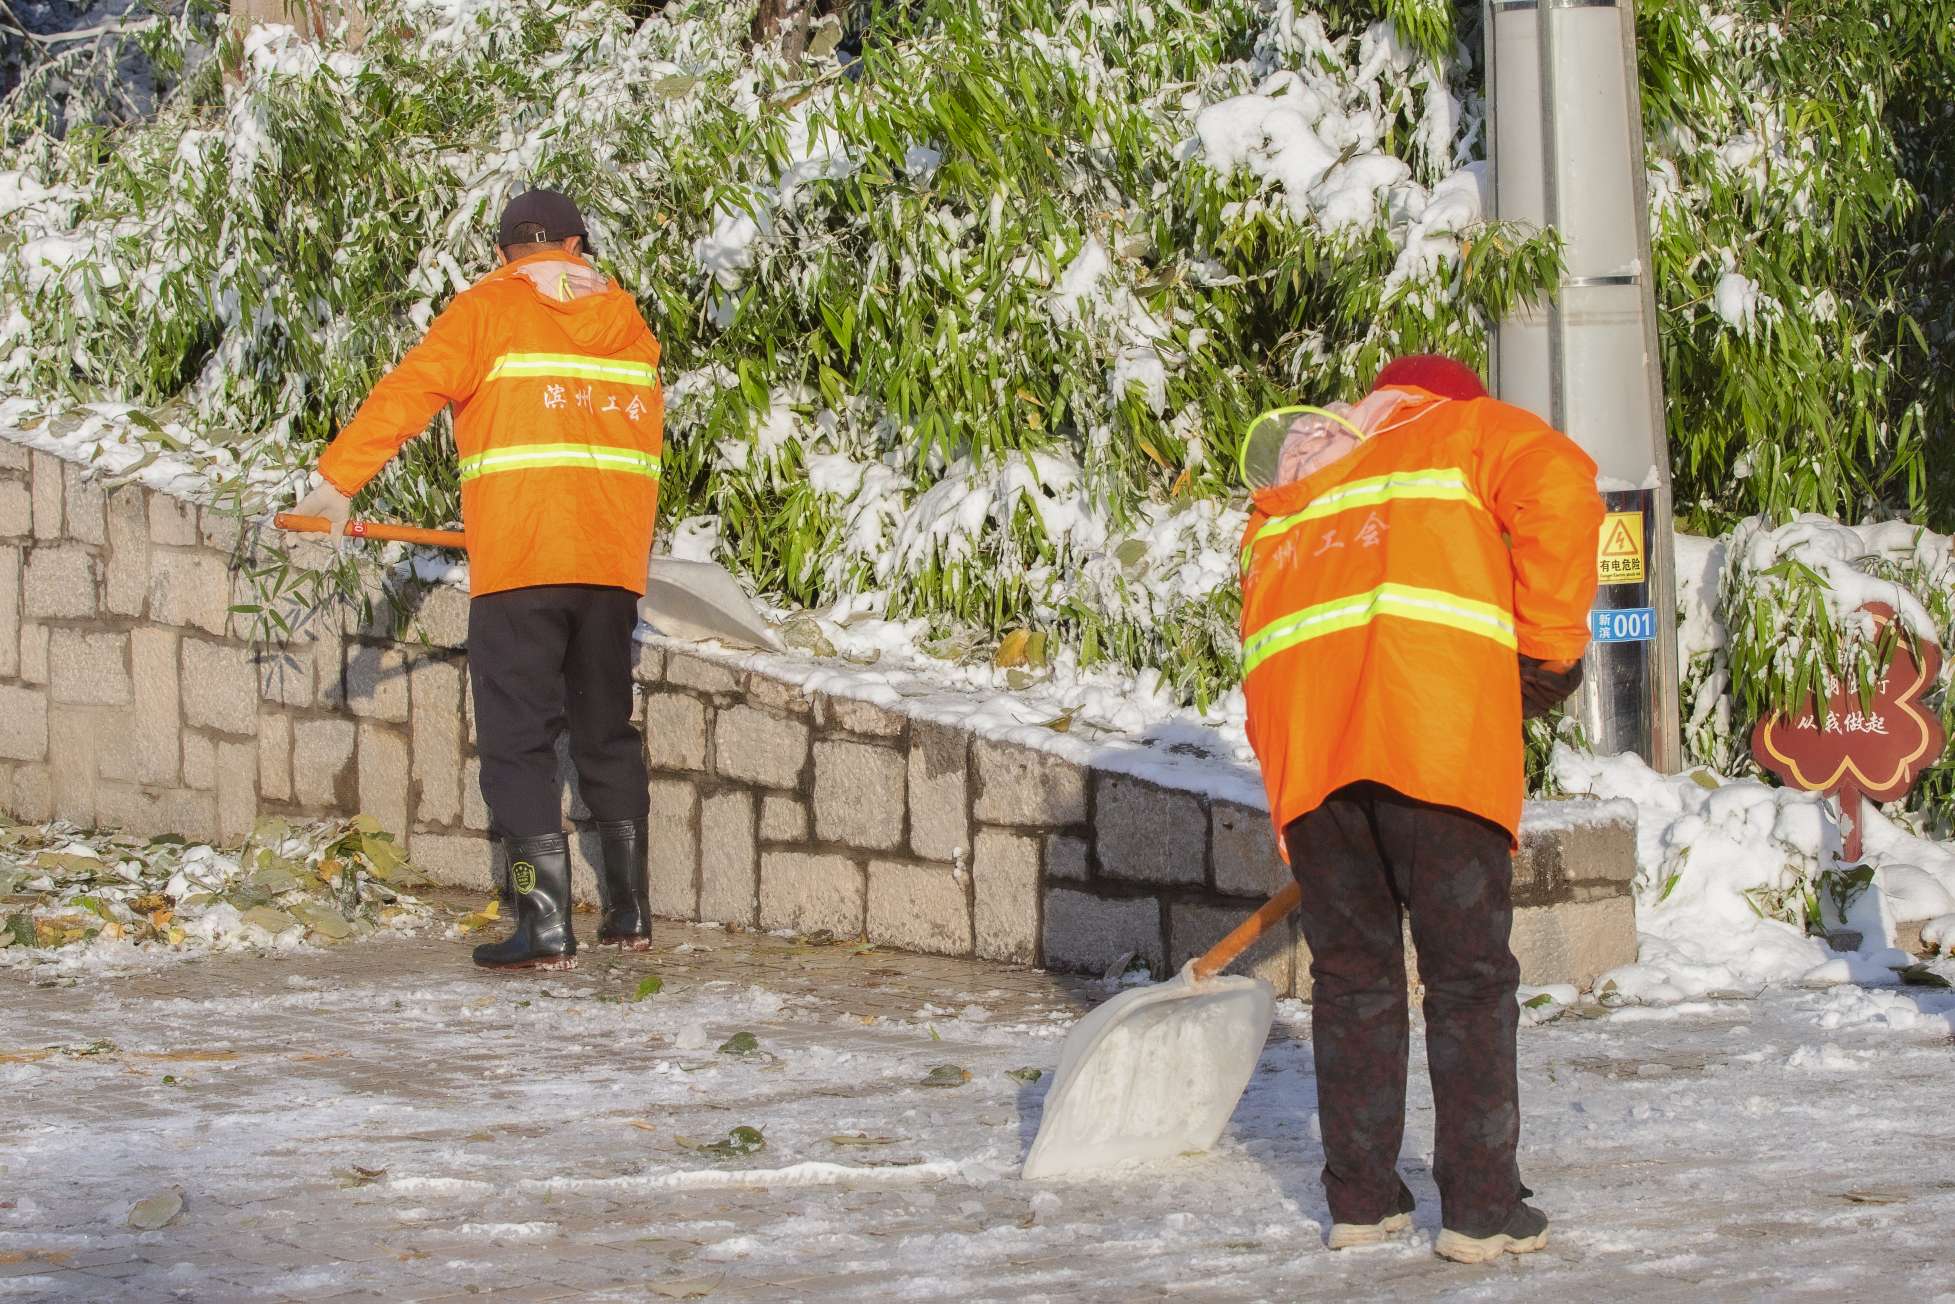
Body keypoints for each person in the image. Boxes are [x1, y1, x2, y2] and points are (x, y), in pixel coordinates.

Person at [1235, 354, 1602, 1263]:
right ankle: (1481, 1212)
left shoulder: (1296, 492)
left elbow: (1266, 653)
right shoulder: (1463, 431)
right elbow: (1560, 481)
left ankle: (1360, 1202)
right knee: (1468, 979)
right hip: (1431, 746)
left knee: (1353, 982)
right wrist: (1548, 648)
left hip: (1315, 770)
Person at [289, 189, 664, 971]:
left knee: (518, 743)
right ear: (578, 246)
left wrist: (336, 483)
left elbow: (410, 391)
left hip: (522, 562)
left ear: (503, 253)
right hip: (610, 566)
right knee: (604, 733)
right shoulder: (629, 328)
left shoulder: (487, 310)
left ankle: (543, 926)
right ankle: (629, 917)